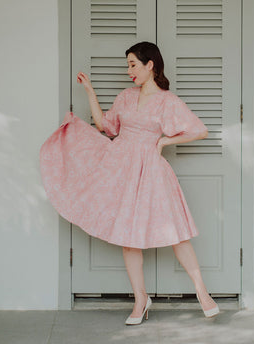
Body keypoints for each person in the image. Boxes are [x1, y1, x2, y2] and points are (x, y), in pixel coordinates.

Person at [39, 41, 219, 325]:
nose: (129, 70)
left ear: (151, 65)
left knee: (177, 233)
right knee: (128, 238)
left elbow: (200, 130)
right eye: (127, 65)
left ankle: (203, 293)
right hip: (120, 168)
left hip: (151, 171)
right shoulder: (125, 97)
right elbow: (105, 127)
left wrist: (164, 140)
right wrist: (89, 92)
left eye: (133, 64)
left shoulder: (168, 101)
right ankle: (140, 299)